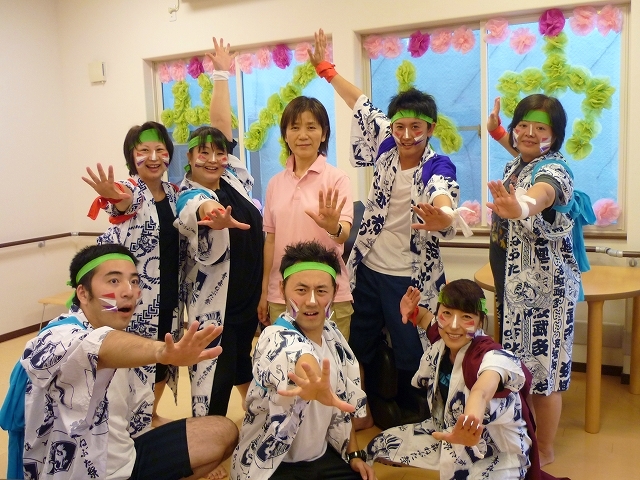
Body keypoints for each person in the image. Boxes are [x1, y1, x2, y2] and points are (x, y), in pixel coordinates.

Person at [308, 29, 468, 429]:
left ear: (430, 129)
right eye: (400, 127)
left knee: (413, 345)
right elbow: (359, 102)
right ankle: (364, 402)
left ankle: (421, 412)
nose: (407, 135)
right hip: (368, 267)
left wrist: (444, 216)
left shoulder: (436, 165)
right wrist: (326, 70)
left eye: (417, 128)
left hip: (407, 276)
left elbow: (442, 192)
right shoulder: (387, 143)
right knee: (359, 337)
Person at [20, 243, 238, 480]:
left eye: (134, 281)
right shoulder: (56, 336)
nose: (129, 291)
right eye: (114, 281)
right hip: (79, 472)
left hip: (126, 457)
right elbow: (95, 346)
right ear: (82, 293)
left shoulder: (124, 333)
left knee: (223, 432)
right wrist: (161, 353)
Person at [486, 94, 579, 466]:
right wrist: (496, 129)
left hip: (545, 294)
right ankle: (522, 436)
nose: (528, 133)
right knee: (519, 368)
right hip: (514, 290)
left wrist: (521, 206)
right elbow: (519, 147)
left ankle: (545, 449)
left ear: (554, 136)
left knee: (544, 374)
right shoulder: (521, 160)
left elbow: (542, 193)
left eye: (540, 128)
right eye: (522, 124)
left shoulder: (555, 169)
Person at [367, 279, 541, 479]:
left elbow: (481, 391)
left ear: (480, 322)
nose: (454, 325)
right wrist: (411, 311)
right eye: (447, 313)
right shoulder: (443, 336)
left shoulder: (491, 357)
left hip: (495, 450)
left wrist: (470, 423)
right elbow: (424, 318)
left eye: (466, 317)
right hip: (449, 433)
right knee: (379, 445)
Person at [231, 241, 375, 480]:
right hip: (270, 464)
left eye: (321, 291)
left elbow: (343, 408)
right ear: (282, 289)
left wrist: (355, 455)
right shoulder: (273, 336)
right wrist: (313, 378)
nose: (311, 301)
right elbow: (295, 353)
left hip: (321, 456)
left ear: (334, 292)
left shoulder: (334, 338)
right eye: (301, 290)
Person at [174, 38, 263, 418]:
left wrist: (222, 75)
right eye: (203, 153)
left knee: (242, 365)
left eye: (219, 152)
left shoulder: (233, 178)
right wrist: (216, 215)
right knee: (212, 383)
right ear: (190, 158)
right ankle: (206, 442)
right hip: (215, 309)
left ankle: (253, 419)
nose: (213, 158)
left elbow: (220, 128)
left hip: (245, 302)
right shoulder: (187, 194)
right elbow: (200, 207)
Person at [83, 119, 180, 426]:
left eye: (160, 150)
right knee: (134, 359)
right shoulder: (133, 189)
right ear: (131, 156)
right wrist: (111, 193)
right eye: (143, 151)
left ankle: (150, 415)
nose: (153, 157)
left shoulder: (174, 193)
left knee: (163, 356)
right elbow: (122, 199)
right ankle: (129, 423)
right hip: (134, 299)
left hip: (170, 294)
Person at [257, 95, 354, 340]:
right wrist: (265, 291)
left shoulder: (337, 179)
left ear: (323, 134)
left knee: (330, 360)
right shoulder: (275, 183)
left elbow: (343, 233)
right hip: (283, 293)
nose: (303, 135)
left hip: (329, 292)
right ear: (285, 135)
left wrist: (332, 226)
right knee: (286, 359)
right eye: (295, 127)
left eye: (311, 127)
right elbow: (271, 241)